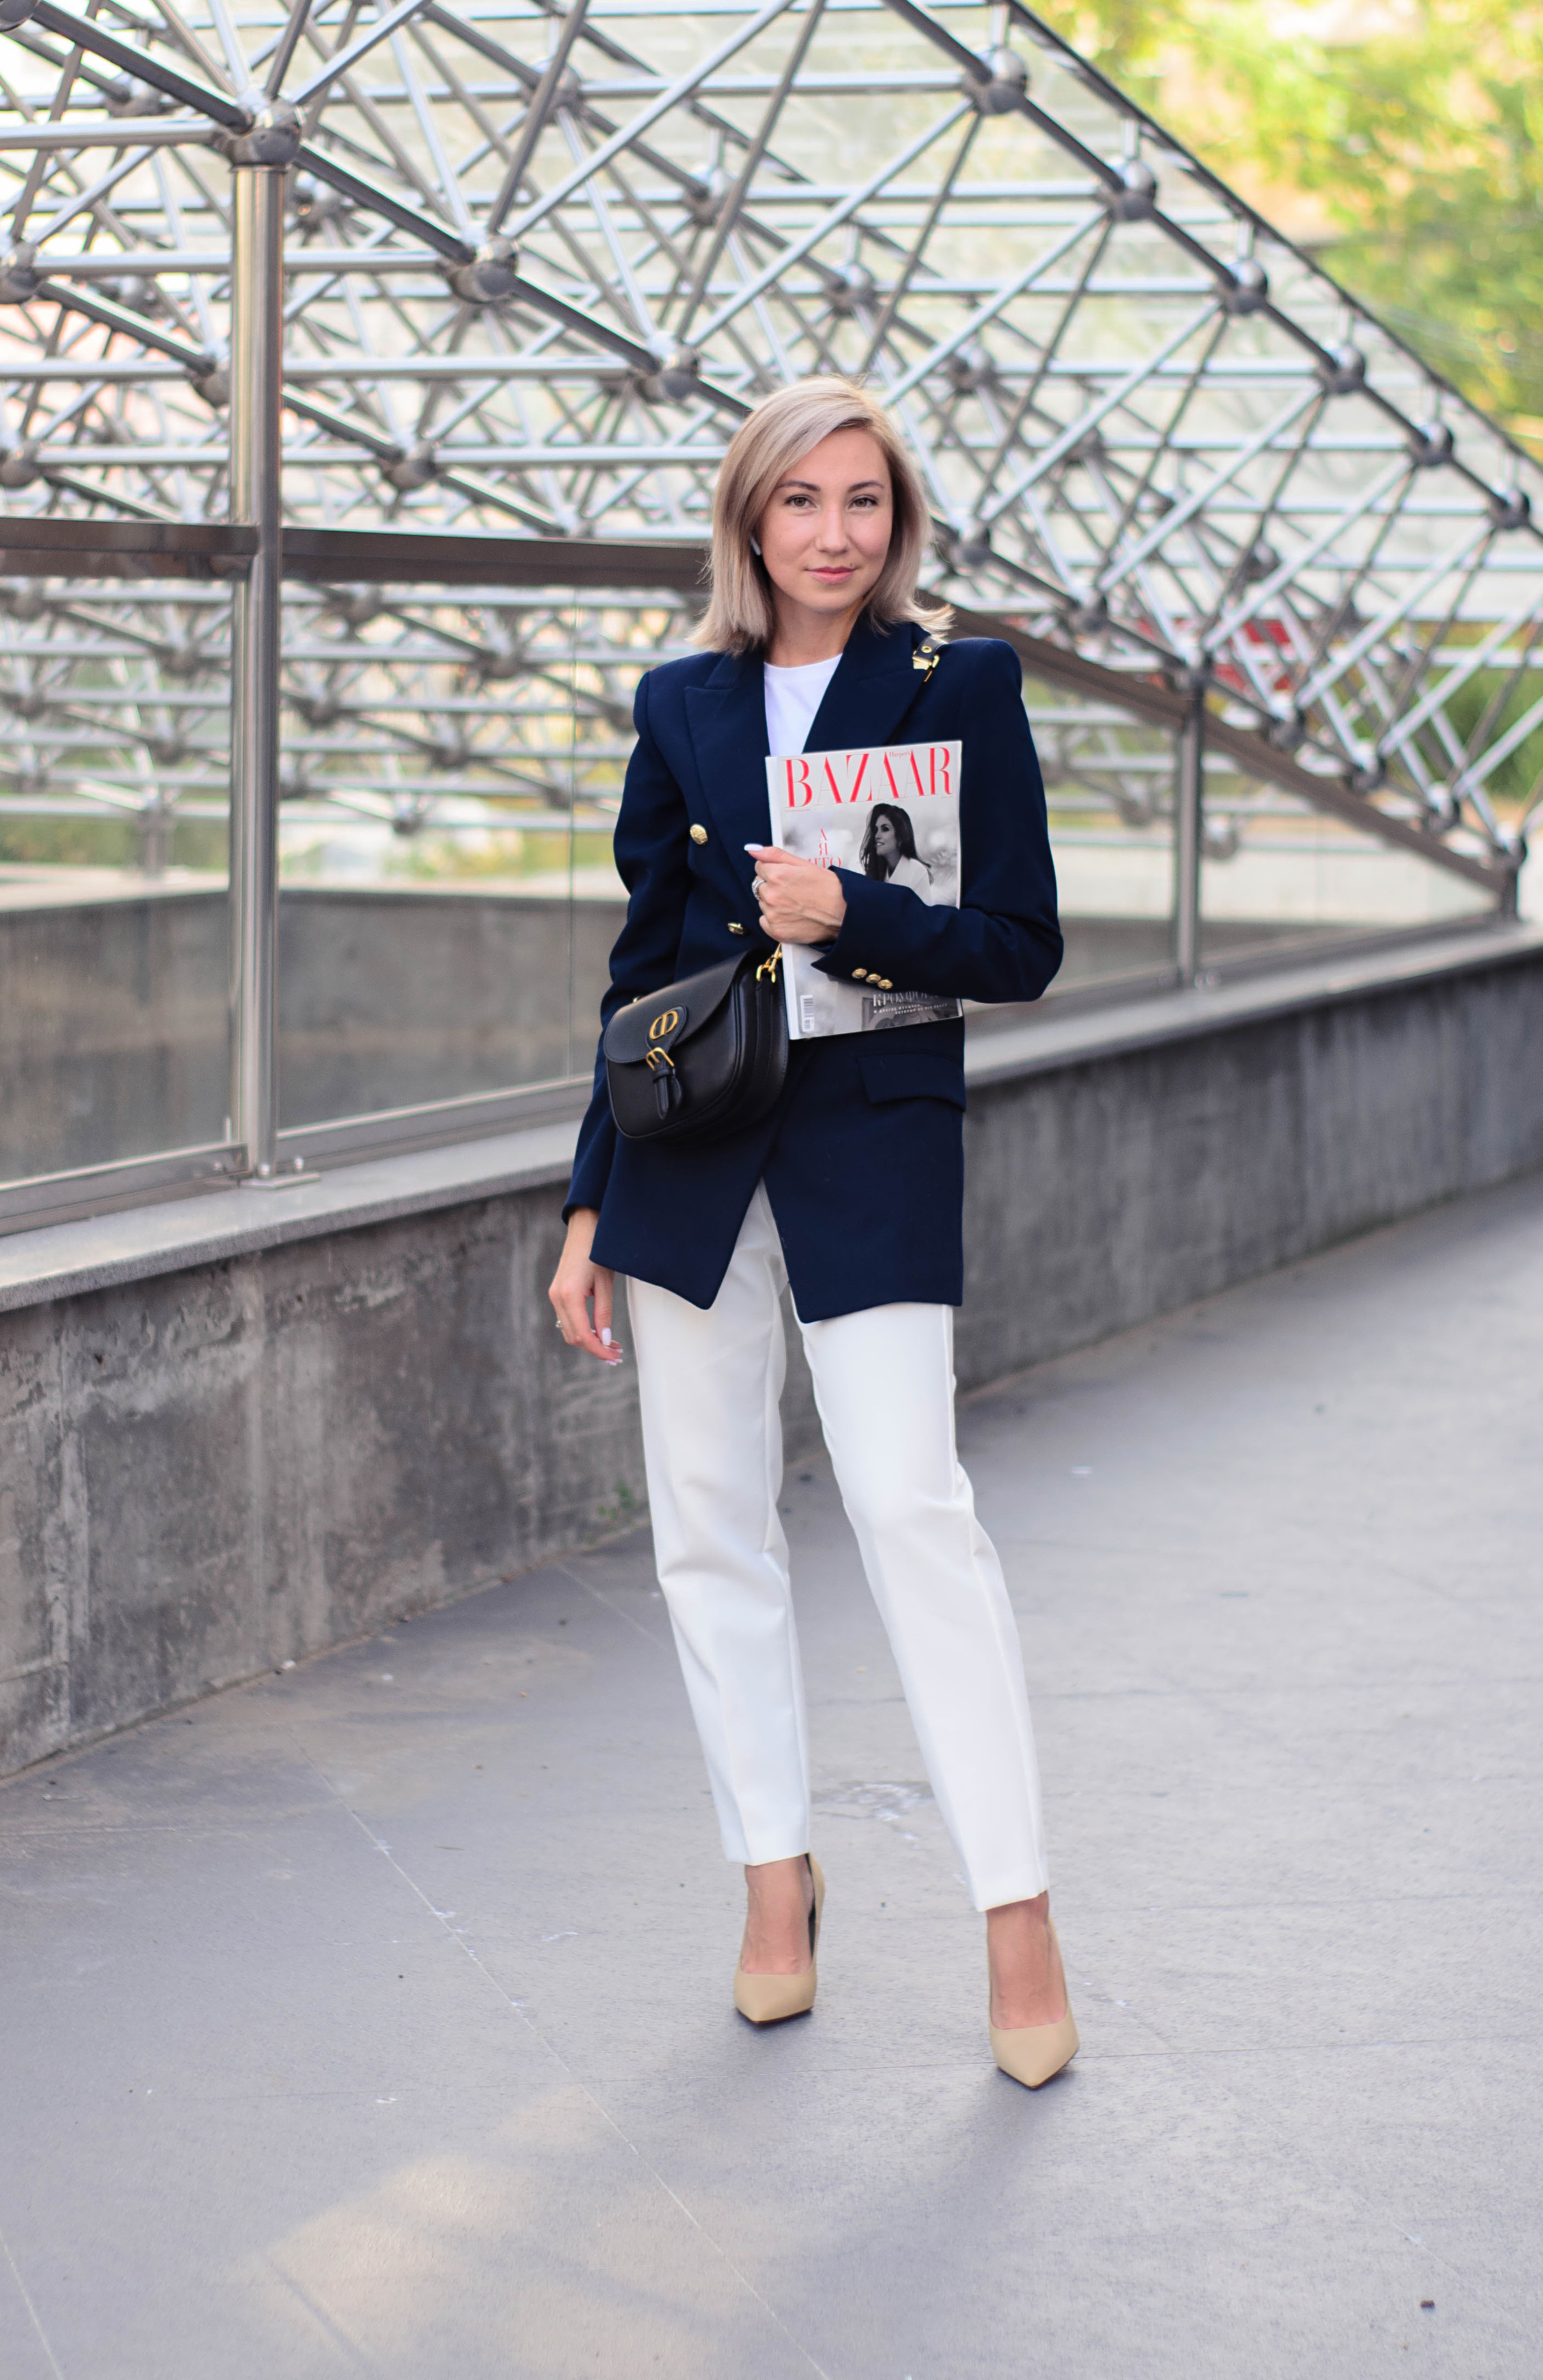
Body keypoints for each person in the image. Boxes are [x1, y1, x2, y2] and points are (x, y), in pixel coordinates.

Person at [548, 374, 1078, 2087]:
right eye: (801, 501)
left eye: (863, 501)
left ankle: (1015, 1910)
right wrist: (580, 1201)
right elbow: (642, 976)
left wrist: (856, 912)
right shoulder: (681, 699)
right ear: (748, 520)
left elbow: (1017, 943)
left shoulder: (959, 683)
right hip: (688, 1157)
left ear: (896, 518)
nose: (834, 533)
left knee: (911, 1506)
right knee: (705, 1525)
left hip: (872, 1143)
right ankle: (771, 1880)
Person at [861, 802, 935, 903]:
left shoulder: (917, 871)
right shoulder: (878, 873)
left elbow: (923, 916)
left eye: (885, 829)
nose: (877, 835)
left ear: (901, 836)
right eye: (876, 829)